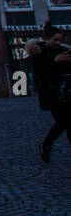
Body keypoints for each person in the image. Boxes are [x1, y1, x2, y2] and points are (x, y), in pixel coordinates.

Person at [27, 22, 71, 162]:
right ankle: (46, 145)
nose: (58, 43)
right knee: (64, 122)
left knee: (68, 122)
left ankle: (46, 146)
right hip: (50, 93)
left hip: (65, 91)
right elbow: (39, 72)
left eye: (60, 40)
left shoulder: (63, 50)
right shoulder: (38, 52)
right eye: (55, 40)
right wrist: (55, 61)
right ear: (47, 39)